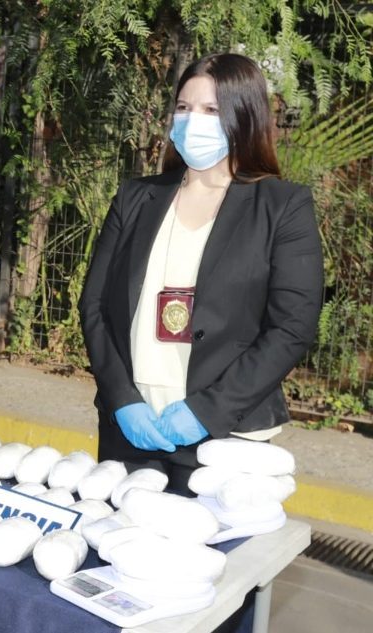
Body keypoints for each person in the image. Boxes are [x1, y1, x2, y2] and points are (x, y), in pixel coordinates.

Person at [78, 53, 324, 494]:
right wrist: (121, 399)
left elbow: (293, 326)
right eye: (183, 107)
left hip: (226, 437)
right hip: (132, 429)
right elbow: (93, 306)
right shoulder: (136, 198)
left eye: (211, 109)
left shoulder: (281, 207)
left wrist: (206, 412)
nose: (193, 120)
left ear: (243, 116)